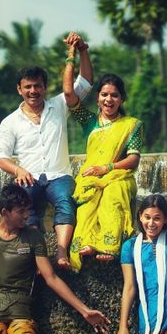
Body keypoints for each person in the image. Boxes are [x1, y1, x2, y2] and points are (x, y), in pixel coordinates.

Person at [0, 33, 94, 269]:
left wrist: (82, 50)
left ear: (45, 87)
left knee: (65, 201)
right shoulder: (10, 122)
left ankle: (61, 253)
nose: (33, 91)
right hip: (29, 176)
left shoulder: (60, 105)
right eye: (27, 87)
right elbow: (1, 157)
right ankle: (37, 256)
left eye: (37, 86)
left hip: (59, 175)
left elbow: (86, 82)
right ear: (19, 89)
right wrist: (18, 169)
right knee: (24, 207)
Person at [0, 183, 110, 334]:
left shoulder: (33, 236)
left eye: (28, 210)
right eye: (21, 211)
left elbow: (51, 278)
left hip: (21, 313)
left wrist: (85, 311)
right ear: (5, 212)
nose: (27, 215)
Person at [65, 69, 143, 271]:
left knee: (112, 197)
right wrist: (72, 56)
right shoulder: (90, 122)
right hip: (91, 177)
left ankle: (109, 245)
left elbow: (133, 159)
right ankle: (88, 244)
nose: (109, 99)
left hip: (118, 176)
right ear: (98, 97)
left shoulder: (131, 125)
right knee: (87, 206)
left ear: (122, 99)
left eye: (114, 95)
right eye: (104, 94)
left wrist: (106, 168)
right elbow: (69, 96)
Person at [113, 165, 167, 334]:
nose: (151, 223)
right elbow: (129, 287)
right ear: (140, 216)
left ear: (165, 219)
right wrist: (122, 327)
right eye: (147, 217)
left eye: (157, 218)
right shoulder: (129, 246)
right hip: (148, 323)